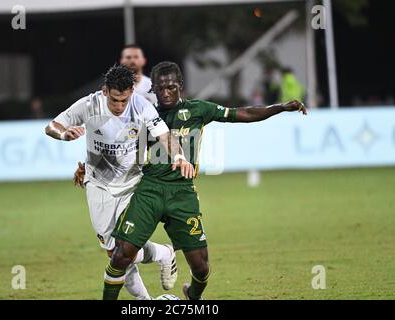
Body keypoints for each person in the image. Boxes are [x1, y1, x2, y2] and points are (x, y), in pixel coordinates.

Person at [95, 61, 306, 300]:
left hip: (182, 193)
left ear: (181, 86)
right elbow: (110, 143)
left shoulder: (199, 110)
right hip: (149, 190)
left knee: (201, 267)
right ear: (153, 88)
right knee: (122, 254)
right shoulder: (143, 113)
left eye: (171, 87)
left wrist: (281, 107)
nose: (166, 92)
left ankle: (193, 296)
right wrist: (87, 167)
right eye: (161, 87)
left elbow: (243, 114)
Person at [45, 65, 194, 300]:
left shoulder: (141, 106)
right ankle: (163, 253)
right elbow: (52, 126)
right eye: (115, 100)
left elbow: (165, 135)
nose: (119, 106)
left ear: (131, 92)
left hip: (133, 184)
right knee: (113, 252)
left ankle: (145, 302)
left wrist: (178, 156)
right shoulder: (89, 105)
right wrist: (63, 134)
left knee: (125, 249)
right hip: (98, 184)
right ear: (105, 91)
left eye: (124, 100)